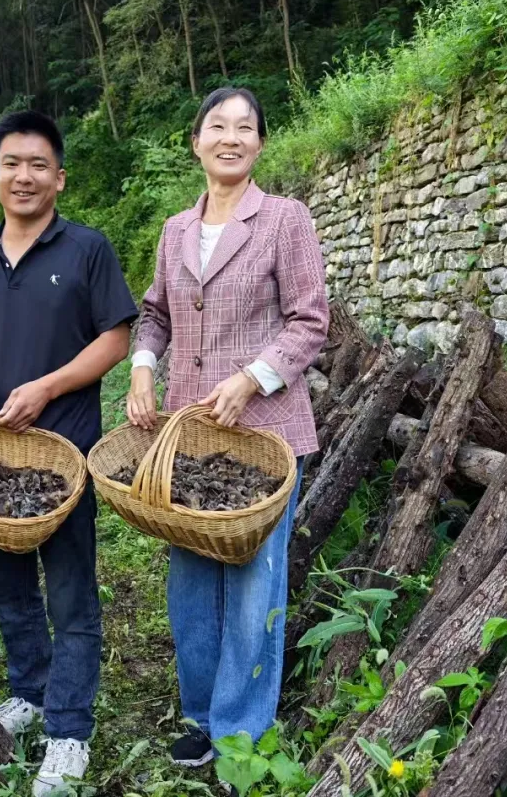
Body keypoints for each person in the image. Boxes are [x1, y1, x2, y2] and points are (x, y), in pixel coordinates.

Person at [126, 87, 329, 781]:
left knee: (252, 584)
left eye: (246, 127)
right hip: (189, 437)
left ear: (261, 145)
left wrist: (251, 379)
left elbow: (309, 322)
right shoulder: (175, 230)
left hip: (264, 433)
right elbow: (154, 314)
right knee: (190, 582)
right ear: (196, 141)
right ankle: (199, 717)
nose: (231, 137)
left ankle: (241, 731)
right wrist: (144, 370)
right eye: (218, 125)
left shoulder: (284, 220)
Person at [0, 110, 138, 796]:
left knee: (73, 592)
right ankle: (29, 689)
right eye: (12, 164)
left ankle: (69, 730)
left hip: (66, 453)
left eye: (38, 165)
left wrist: (49, 385)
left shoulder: (86, 249)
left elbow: (116, 337)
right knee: (6, 583)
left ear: (59, 178)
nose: (24, 176)